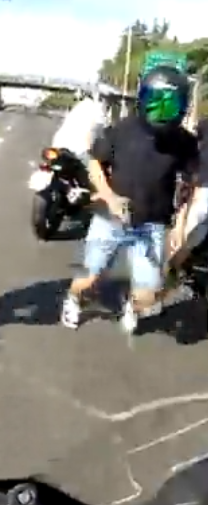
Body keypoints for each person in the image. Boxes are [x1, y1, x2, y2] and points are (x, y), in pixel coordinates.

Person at [60, 65, 199, 333]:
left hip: (152, 224)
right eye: (156, 102)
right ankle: (73, 300)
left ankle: (132, 305)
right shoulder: (124, 129)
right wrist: (109, 197)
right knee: (89, 278)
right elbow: (96, 163)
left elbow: (189, 184)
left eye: (170, 105)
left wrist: (180, 225)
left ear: (181, 107)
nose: (162, 111)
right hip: (111, 218)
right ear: (143, 99)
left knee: (148, 295)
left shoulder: (185, 142)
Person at [167, 118, 208, 275]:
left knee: (195, 233)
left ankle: (173, 269)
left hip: (200, 185)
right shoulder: (204, 125)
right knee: (188, 230)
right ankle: (169, 269)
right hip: (202, 185)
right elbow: (191, 147)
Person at [50, 86, 109, 166]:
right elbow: (99, 134)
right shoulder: (99, 111)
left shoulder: (80, 106)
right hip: (78, 149)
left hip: (59, 144)